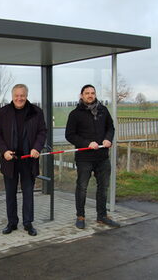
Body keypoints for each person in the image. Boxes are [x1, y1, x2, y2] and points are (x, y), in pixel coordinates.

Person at [0, 84, 47, 236]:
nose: (19, 98)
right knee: (10, 193)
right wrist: (4, 151)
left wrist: (37, 148)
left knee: (28, 193)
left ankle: (28, 223)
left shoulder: (36, 112)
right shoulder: (3, 112)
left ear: (26, 95)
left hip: (28, 160)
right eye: (16, 95)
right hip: (10, 160)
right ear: (12, 96)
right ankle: (12, 223)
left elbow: (42, 132)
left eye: (22, 95)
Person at [65, 84, 120, 229]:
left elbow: (110, 127)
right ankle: (80, 216)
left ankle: (102, 216)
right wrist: (87, 143)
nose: (90, 95)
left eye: (92, 93)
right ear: (81, 95)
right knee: (82, 187)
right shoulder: (75, 114)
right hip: (84, 158)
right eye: (87, 93)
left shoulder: (103, 110)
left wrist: (108, 138)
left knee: (103, 187)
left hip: (102, 157)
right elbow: (69, 135)